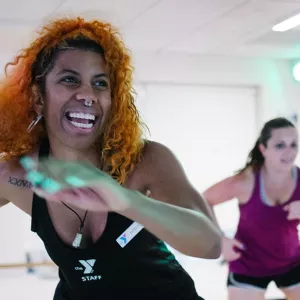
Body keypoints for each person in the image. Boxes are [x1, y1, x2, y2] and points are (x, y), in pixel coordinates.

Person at [0, 17, 221, 300]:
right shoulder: (16, 175)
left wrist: (126, 200)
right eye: (69, 79)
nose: (87, 94)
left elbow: (211, 244)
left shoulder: (146, 160)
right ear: (38, 98)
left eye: (100, 83)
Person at [204, 117, 300, 300]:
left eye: (294, 144)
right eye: (280, 145)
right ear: (263, 149)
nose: (289, 152)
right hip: (248, 264)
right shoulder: (246, 181)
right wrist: (220, 239)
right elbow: (205, 199)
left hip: (292, 261)